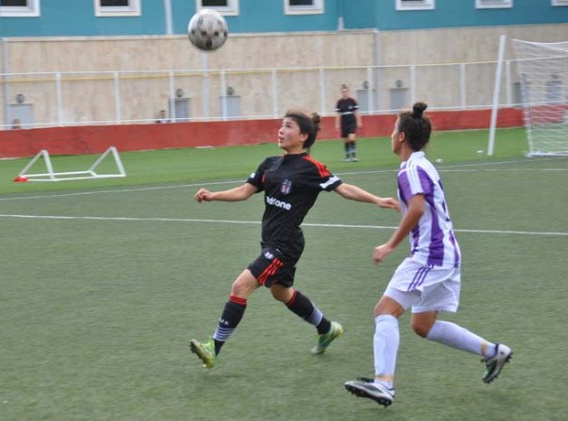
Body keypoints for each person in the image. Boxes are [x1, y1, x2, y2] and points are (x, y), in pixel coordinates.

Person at [189, 109, 399, 368]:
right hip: (270, 241)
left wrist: (377, 199)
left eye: (288, 126)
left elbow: (344, 189)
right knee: (281, 292)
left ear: (303, 136)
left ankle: (213, 347)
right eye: (281, 125)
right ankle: (327, 328)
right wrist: (213, 195)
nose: (281, 130)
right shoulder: (270, 164)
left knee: (240, 286)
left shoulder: (312, 168)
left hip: (285, 245)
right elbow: (244, 191)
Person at [344, 102, 512, 407]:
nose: (390, 135)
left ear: (402, 137)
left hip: (431, 255)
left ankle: (384, 383)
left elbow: (418, 207)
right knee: (422, 324)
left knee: (384, 311)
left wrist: (390, 245)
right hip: (447, 254)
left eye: (393, 130)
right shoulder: (423, 164)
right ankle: (492, 352)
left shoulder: (410, 168)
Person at [335, 84, 362, 161]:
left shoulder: (352, 101)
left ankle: (354, 156)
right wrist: (337, 125)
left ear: (348, 92)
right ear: (341, 92)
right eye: (343, 92)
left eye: (346, 91)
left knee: (352, 138)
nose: (344, 93)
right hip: (344, 122)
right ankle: (347, 156)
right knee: (346, 140)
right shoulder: (339, 102)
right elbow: (338, 114)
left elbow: (356, 112)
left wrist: (359, 121)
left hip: (351, 121)